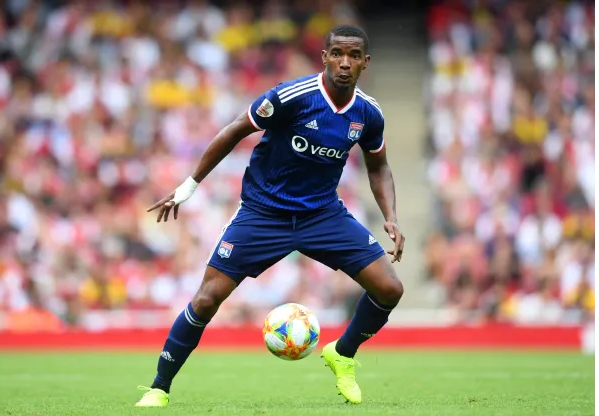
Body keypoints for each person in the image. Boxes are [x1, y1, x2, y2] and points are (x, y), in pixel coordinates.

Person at [136, 25, 404, 407]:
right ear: (325, 57)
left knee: (390, 288)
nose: (345, 63)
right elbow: (233, 131)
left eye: (354, 56)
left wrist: (390, 215)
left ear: (365, 62)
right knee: (207, 298)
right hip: (263, 213)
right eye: (338, 54)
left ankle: (342, 354)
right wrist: (190, 186)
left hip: (322, 215)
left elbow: (378, 167)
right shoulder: (292, 97)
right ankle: (159, 388)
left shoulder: (368, 113)